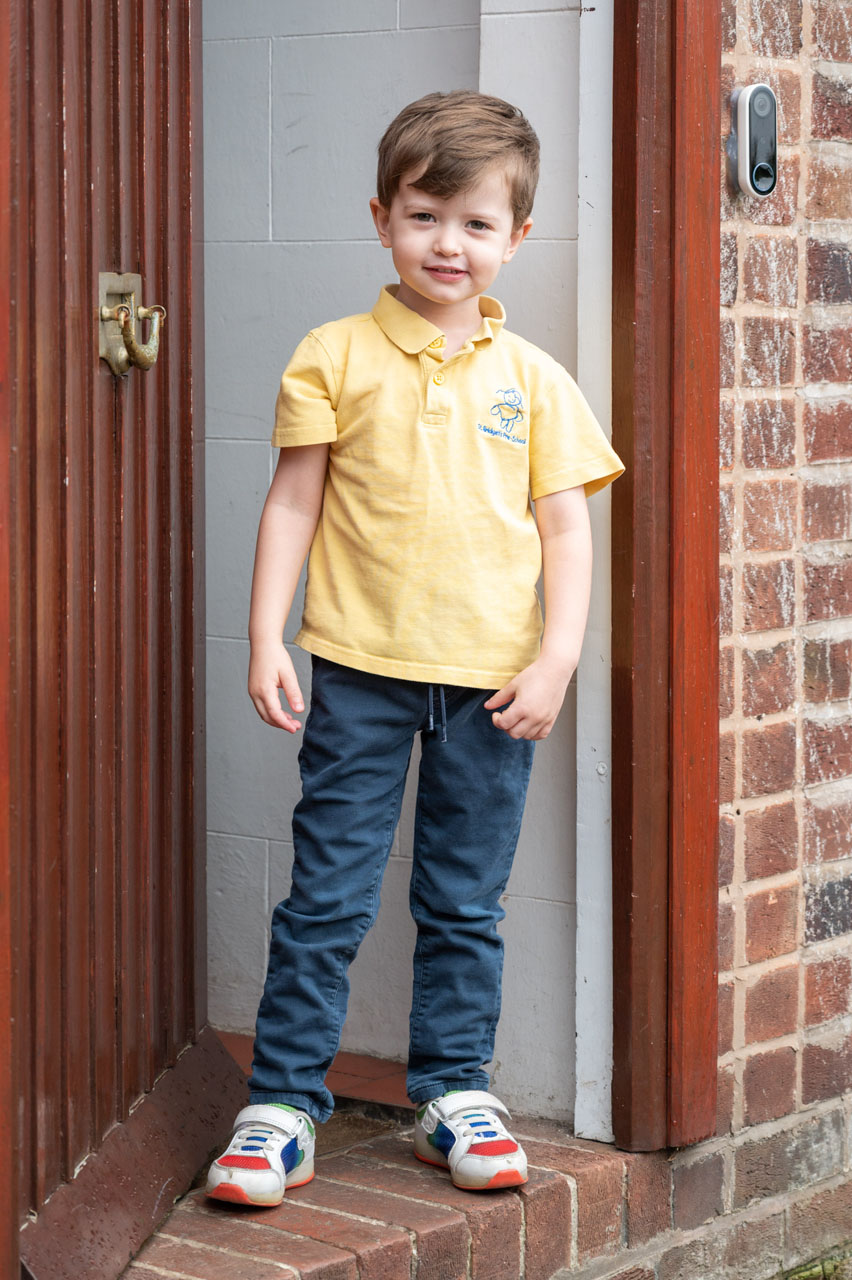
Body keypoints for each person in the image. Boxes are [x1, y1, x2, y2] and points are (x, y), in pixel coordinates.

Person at [205, 89, 624, 1207]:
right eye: (427, 215)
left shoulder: (533, 379)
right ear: (383, 214)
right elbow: (293, 502)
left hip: (493, 684)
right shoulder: (333, 354)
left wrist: (558, 657)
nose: (451, 244)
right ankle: (281, 1103)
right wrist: (265, 636)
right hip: (354, 672)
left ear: (518, 238)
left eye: (478, 224)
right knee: (327, 895)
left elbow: (566, 525)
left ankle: (453, 1088)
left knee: (465, 899)